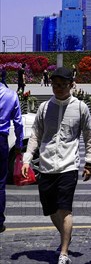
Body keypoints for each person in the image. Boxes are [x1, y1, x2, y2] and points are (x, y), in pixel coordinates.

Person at [21, 67, 91, 264]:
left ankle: (64, 252)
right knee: (50, 209)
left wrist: (89, 162)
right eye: (55, 84)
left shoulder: (80, 108)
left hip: (68, 165)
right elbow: (36, 133)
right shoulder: (45, 107)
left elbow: (89, 135)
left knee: (65, 209)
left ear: (71, 85)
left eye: (62, 84)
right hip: (45, 165)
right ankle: (66, 233)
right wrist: (27, 158)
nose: (58, 88)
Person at [0, 81, 24, 233]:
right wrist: (19, 144)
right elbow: (18, 123)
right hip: (1, 140)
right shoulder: (11, 95)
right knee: (0, 182)